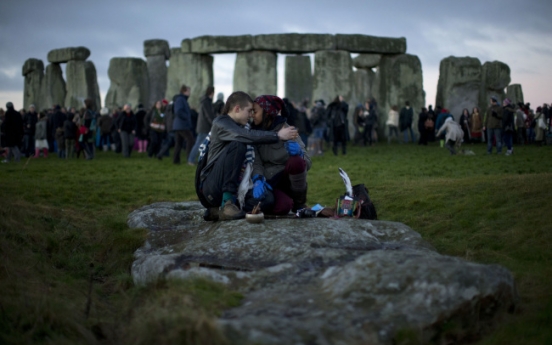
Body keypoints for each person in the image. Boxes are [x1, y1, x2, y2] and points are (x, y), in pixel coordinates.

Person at [196, 91, 298, 221]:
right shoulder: (221, 123)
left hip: (238, 187)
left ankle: (217, 212)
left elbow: (249, 137)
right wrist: (277, 136)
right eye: (249, 111)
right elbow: (243, 136)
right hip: (213, 187)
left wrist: (257, 179)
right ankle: (227, 204)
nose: (251, 115)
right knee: (239, 143)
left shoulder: (245, 128)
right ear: (237, 109)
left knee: (267, 200)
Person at [247, 95, 311, 215]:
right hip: (270, 182)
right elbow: (257, 162)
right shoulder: (254, 133)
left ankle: (299, 203)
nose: (252, 115)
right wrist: (258, 178)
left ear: (267, 112)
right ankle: (286, 201)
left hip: (289, 180)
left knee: (296, 161)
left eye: (254, 111)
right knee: (282, 208)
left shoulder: (288, 130)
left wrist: (300, 153)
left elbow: (307, 162)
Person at [189, 86, 216, 165]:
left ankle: (199, 159)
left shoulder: (205, 101)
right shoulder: (206, 102)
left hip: (203, 126)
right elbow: (208, 115)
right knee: (199, 144)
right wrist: (214, 123)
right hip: (204, 127)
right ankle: (191, 160)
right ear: (212, 93)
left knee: (202, 144)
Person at [172, 85, 196, 165]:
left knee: (178, 143)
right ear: (184, 91)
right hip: (182, 124)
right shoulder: (180, 99)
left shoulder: (182, 100)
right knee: (190, 140)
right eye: (188, 91)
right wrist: (187, 116)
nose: (190, 93)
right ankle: (189, 159)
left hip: (179, 124)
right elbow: (178, 111)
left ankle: (176, 160)